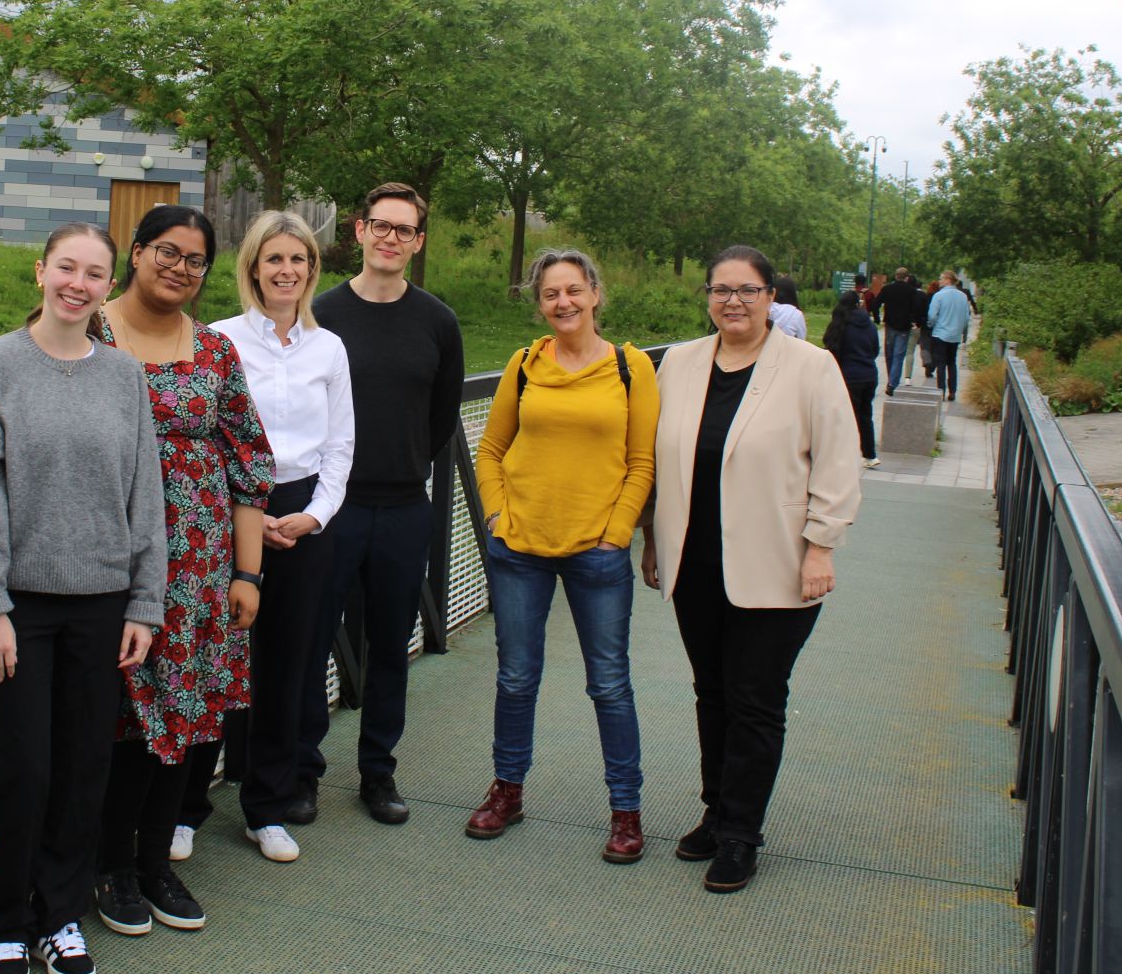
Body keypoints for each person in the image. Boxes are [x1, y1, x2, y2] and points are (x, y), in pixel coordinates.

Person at [0, 223, 167, 974]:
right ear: (41, 271)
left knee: (85, 765)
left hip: (104, 601)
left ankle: (61, 915)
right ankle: (6, 921)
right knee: (20, 766)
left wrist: (146, 600)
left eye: (94, 273)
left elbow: (148, 494)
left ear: (108, 285)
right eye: (66, 268)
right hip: (20, 606)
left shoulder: (123, 375)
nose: (77, 283)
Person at [644, 245, 861, 894]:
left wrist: (821, 544)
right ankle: (716, 809)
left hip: (779, 563)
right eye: (720, 289)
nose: (732, 300)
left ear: (771, 297)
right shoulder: (679, 363)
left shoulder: (809, 368)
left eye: (747, 289)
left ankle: (742, 832)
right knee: (711, 691)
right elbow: (657, 456)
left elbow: (838, 461)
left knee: (755, 698)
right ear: (707, 296)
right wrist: (652, 537)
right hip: (696, 562)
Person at [93, 205, 275, 938]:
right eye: (167, 251)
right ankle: (106, 866)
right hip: (111, 562)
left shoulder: (216, 350)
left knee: (187, 713)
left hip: (200, 569)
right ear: (136, 253)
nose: (180, 267)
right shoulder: (92, 333)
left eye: (196, 260)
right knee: (119, 720)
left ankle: (155, 862)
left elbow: (250, 465)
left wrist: (249, 574)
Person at [467, 249, 660, 862]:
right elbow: (491, 448)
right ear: (540, 302)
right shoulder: (524, 364)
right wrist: (497, 516)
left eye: (574, 290)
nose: (564, 303)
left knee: (609, 683)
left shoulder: (631, 368)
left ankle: (625, 811)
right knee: (517, 677)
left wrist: (617, 531)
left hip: (597, 552)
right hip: (520, 547)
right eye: (551, 294)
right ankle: (507, 791)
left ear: (595, 294)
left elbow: (642, 461)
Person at [298, 181, 464, 827]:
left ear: (418, 241)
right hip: (329, 508)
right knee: (312, 640)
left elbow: (442, 414)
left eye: (405, 229)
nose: (391, 237)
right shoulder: (321, 314)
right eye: (381, 225)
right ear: (360, 231)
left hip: (403, 508)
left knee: (392, 643)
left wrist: (403, 464)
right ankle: (303, 770)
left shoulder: (437, 322)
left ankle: (377, 771)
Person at [194, 211, 355, 864]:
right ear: (253, 268)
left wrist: (315, 513)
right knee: (216, 658)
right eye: (274, 259)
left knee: (287, 665)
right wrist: (246, 515)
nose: (286, 270)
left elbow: (341, 445)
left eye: (299, 260)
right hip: (235, 508)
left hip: (305, 512)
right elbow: (207, 434)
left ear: (312, 271)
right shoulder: (219, 340)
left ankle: (267, 806)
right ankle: (185, 807)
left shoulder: (329, 348)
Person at [822, 290, 881, 469]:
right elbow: (875, 349)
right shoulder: (869, 325)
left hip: (848, 376)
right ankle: (870, 455)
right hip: (870, 374)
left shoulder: (840, 324)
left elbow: (831, 349)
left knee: (846, 417)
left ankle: (842, 456)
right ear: (858, 304)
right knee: (865, 415)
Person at [926, 271, 971, 402]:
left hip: (940, 333)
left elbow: (932, 315)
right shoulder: (963, 296)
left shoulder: (939, 296)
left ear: (947, 280)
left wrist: (932, 325)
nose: (939, 281)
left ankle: (941, 390)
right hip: (955, 335)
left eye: (941, 279)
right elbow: (966, 317)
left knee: (940, 363)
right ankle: (953, 391)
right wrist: (959, 329)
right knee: (951, 362)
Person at [875, 266, 919, 395]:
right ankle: (892, 383)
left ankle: (891, 378)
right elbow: (917, 307)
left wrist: (877, 318)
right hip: (904, 326)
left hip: (890, 325)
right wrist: (914, 319)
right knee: (898, 356)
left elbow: (875, 303)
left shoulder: (887, 289)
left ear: (895, 276)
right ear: (907, 278)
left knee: (889, 354)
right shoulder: (911, 291)